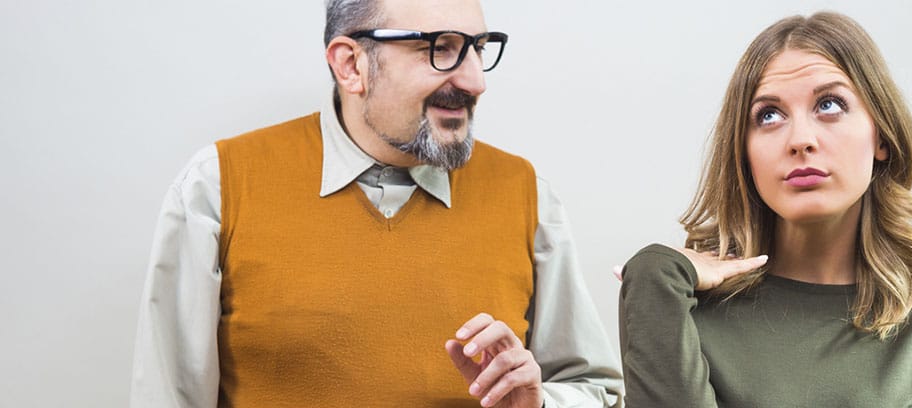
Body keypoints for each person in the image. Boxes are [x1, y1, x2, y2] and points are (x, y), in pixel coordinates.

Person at [130, 0, 623, 406]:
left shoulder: (527, 193)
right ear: (351, 65)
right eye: (440, 48)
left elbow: (596, 391)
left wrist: (541, 403)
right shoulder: (218, 185)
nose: (476, 81)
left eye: (477, 48)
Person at [617, 11, 912, 407]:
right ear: (743, 152)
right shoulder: (680, 304)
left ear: (881, 136)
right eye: (769, 116)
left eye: (829, 105)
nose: (800, 140)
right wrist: (655, 271)